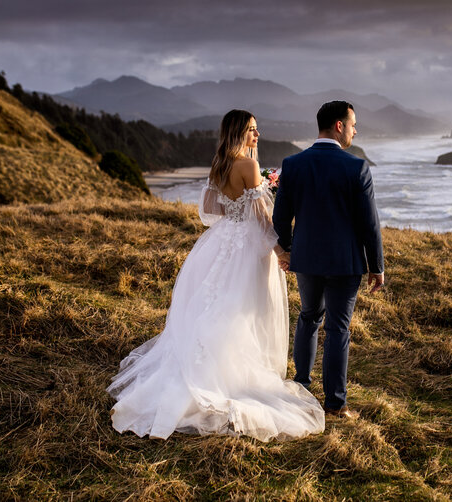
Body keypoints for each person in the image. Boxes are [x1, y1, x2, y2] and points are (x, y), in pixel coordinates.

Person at [108, 109, 324, 442]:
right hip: (246, 247)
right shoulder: (249, 165)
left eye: (257, 129)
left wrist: (245, 201)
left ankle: (207, 366)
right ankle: (232, 377)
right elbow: (263, 218)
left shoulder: (219, 163)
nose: (258, 134)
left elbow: (211, 209)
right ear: (239, 132)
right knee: (244, 310)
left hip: (221, 241)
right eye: (252, 130)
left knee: (219, 304)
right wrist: (281, 250)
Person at [272, 101, 384, 419]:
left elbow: (280, 219)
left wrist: (289, 249)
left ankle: (301, 389)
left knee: (308, 317)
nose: (355, 129)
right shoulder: (356, 167)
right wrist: (376, 266)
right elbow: (369, 224)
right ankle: (335, 404)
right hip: (344, 262)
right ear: (338, 125)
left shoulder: (293, 164)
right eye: (353, 124)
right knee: (337, 329)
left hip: (305, 259)